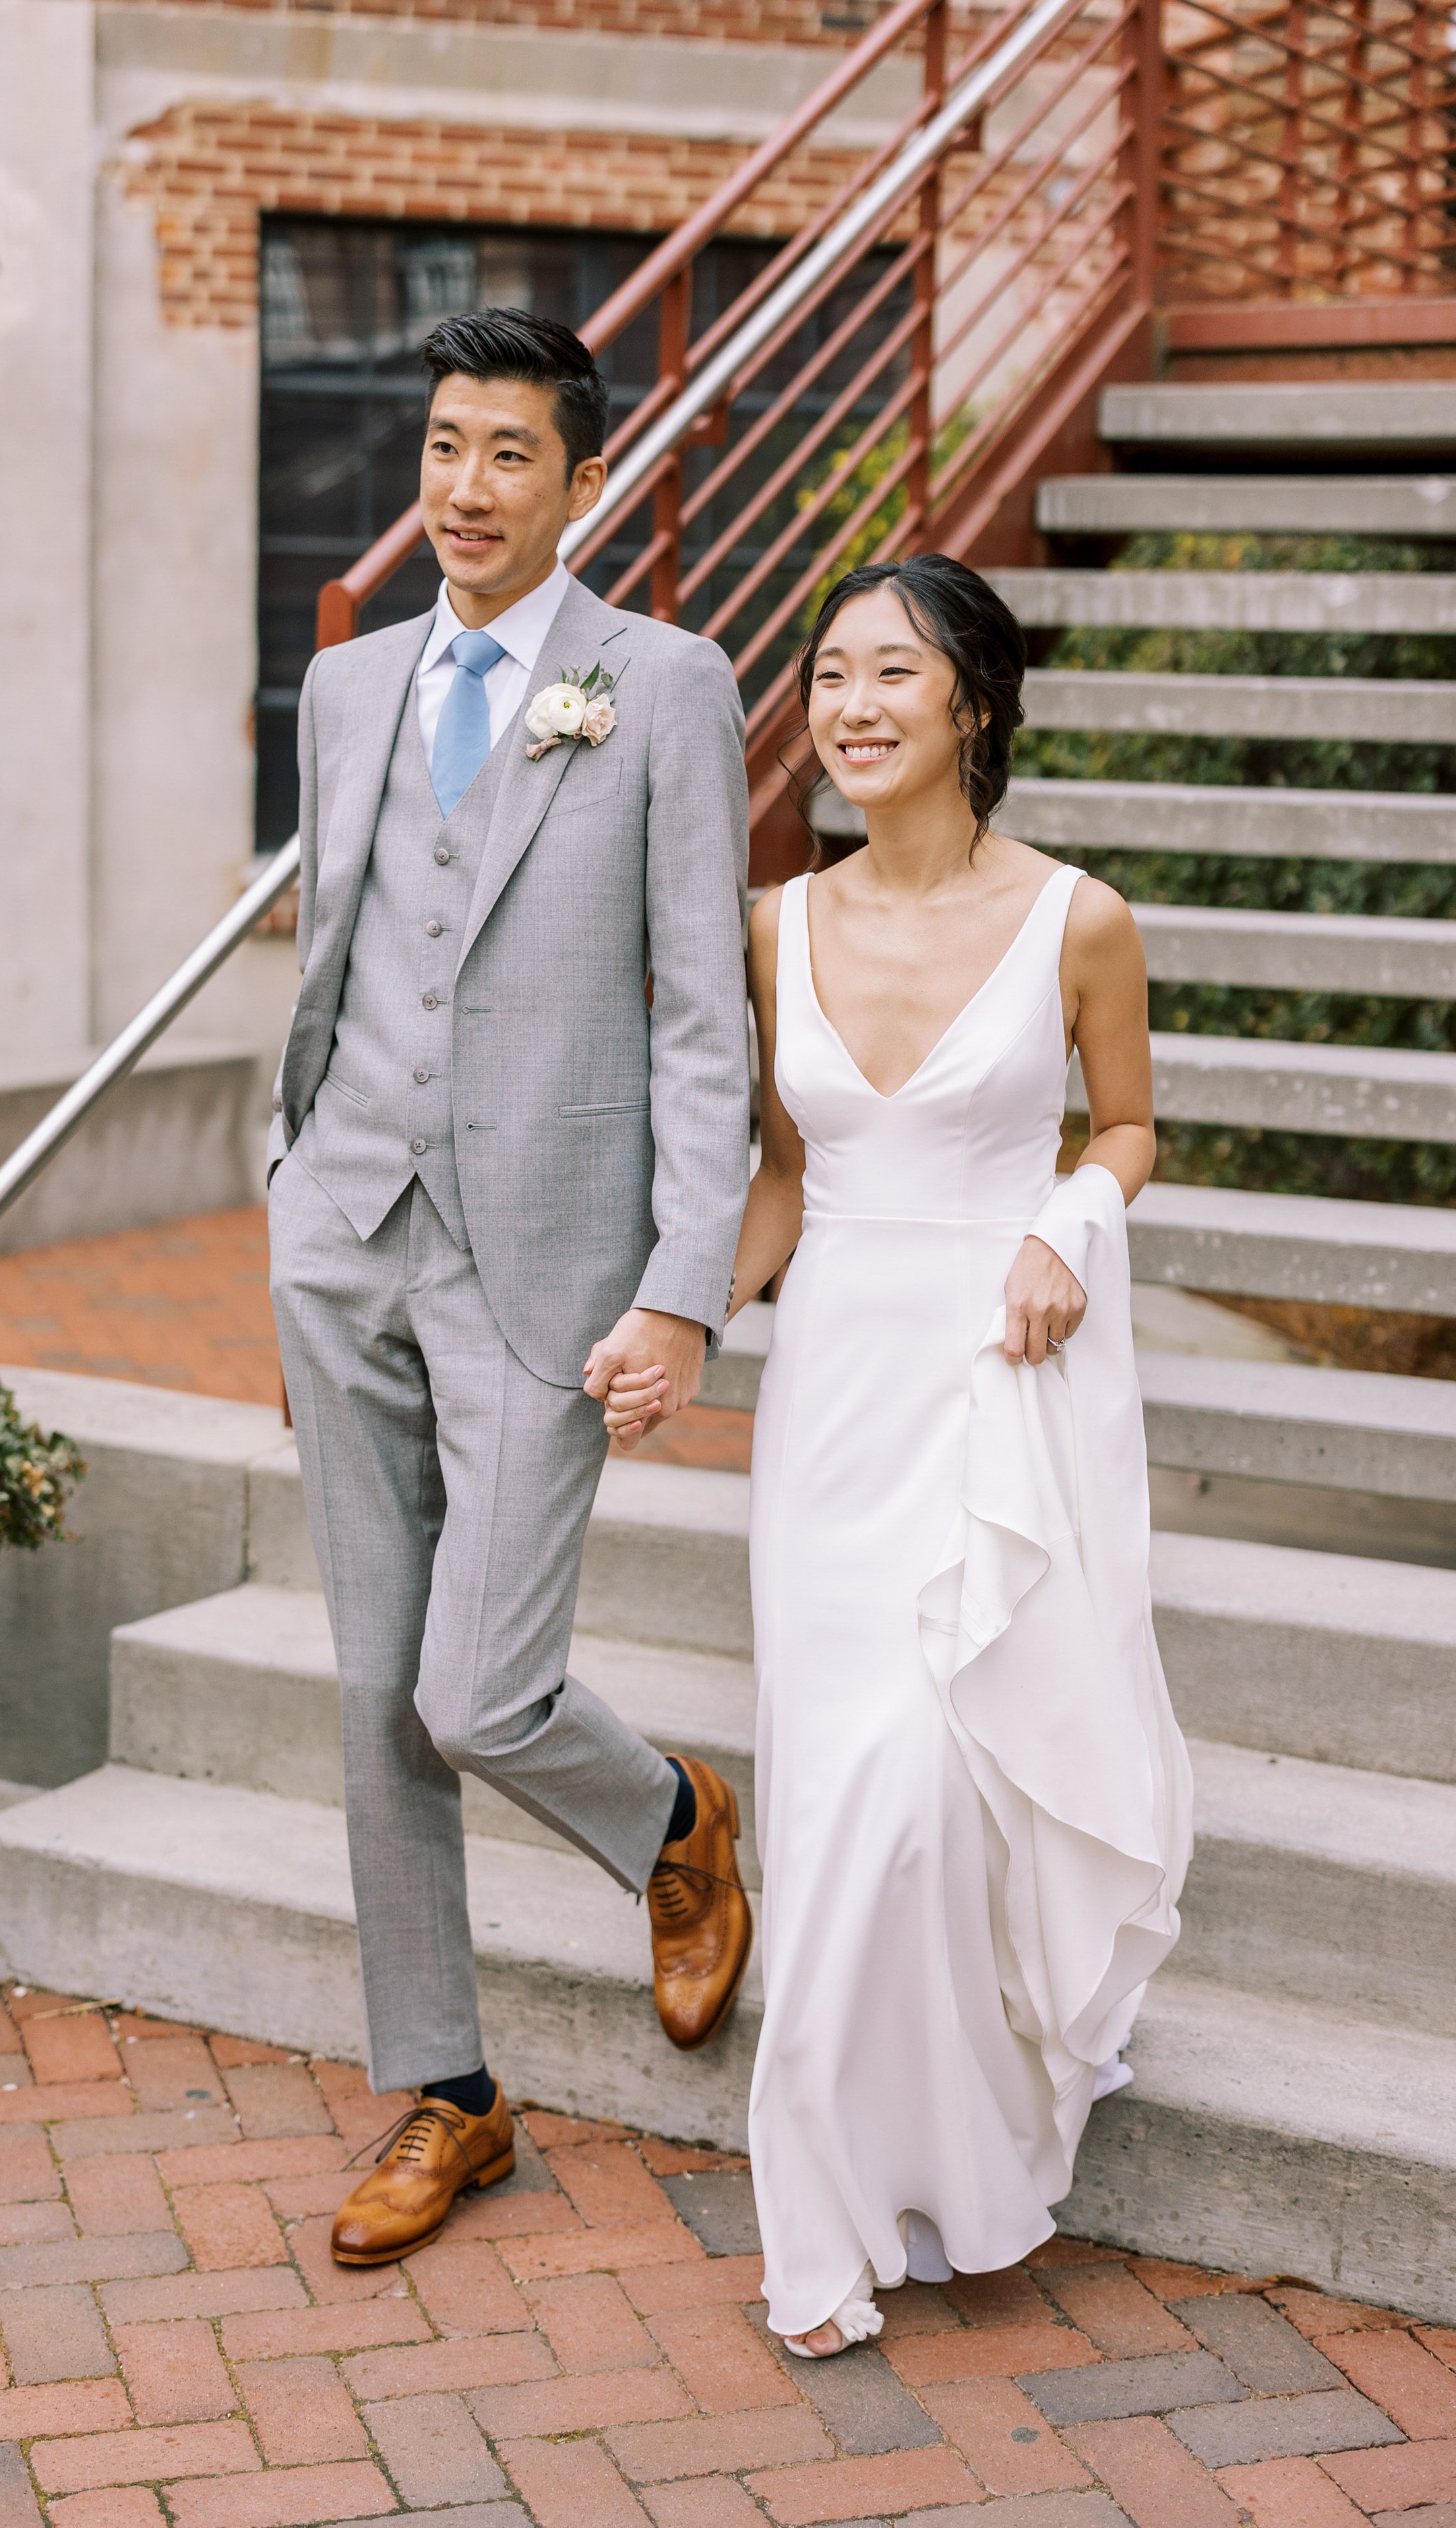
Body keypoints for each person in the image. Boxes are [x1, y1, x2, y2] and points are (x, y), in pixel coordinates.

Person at [607, 553, 1193, 2355]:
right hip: (841, 1386)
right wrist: (680, 1318)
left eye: (891, 672)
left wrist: (1063, 1231)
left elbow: (1128, 1125)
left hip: (1011, 1376)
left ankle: (969, 2147)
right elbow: (781, 1177)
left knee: (953, 1794)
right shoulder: (773, 924)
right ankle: (825, 2208)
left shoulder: (1077, 918)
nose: (848, 705)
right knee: (849, 1786)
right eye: (828, 672)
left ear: (972, 705)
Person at [266, 307, 754, 2268]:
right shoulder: (351, 681)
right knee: (379, 1695)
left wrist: (683, 1292)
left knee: (478, 1688)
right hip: (343, 1235)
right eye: (442, 447)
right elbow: (337, 947)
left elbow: (706, 1021)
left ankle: (666, 1824)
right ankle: (446, 2097)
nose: (462, 490)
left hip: (546, 1266)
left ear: (578, 483)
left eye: (505, 457)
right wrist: (291, 1178)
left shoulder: (669, 684)